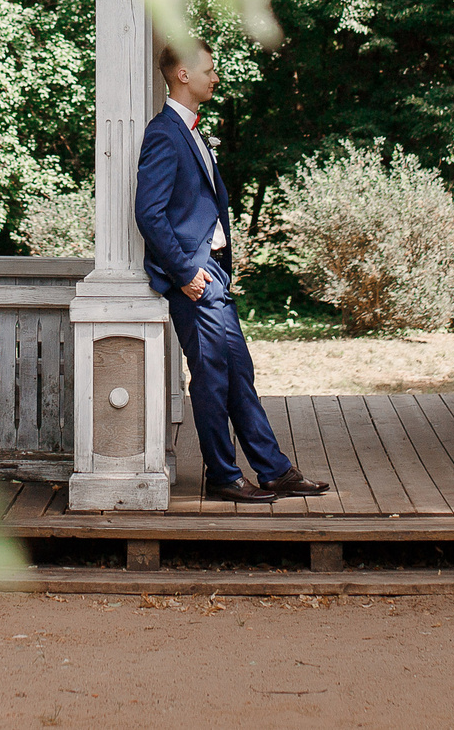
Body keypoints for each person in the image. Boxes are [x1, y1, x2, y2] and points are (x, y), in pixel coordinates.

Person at [135, 38, 330, 505]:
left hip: (213, 274)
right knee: (211, 378)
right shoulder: (164, 132)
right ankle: (222, 475)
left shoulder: (193, 131)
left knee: (238, 373)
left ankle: (273, 470)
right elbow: (149, 212)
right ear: (182, 74)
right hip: (195, 278)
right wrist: (184, 270)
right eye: (208, 69)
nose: (215, 76)